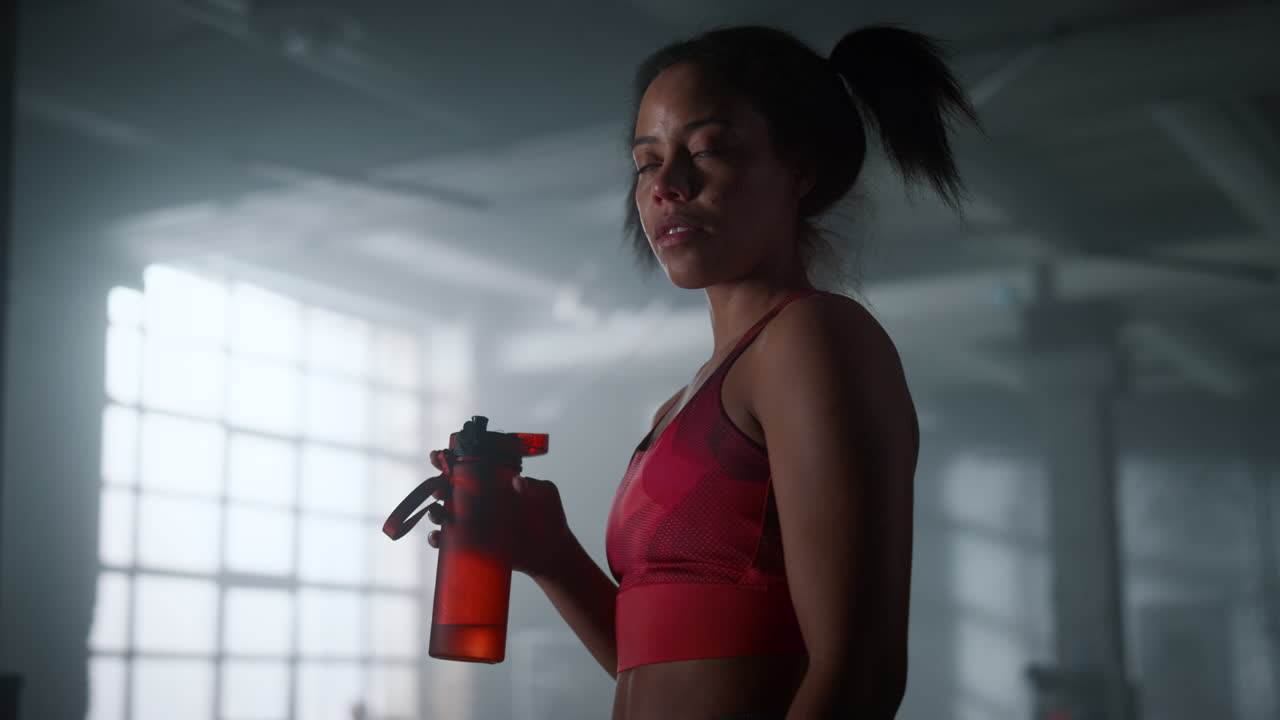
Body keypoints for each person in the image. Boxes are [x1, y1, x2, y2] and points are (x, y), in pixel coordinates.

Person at [420, 23, 978, 719]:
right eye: (646, 162)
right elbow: (660, 661)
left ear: (799, 170)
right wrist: (552, 556)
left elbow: (859, 674)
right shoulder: (678, 407)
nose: (667, 185)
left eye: (708, 149)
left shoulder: (810, 338)